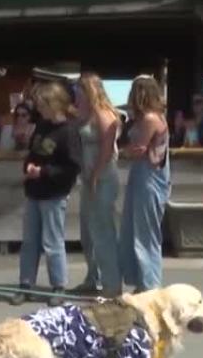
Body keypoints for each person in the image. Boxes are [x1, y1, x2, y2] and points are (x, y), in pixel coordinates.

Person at [11, 81, 82, 306]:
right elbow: (33, 152)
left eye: (42, 104)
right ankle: (25, 284)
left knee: (53, 241)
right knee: (29, 241)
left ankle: (58, 285)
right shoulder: (42, 125)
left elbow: (72, 166)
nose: (38, 109)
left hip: (54, 193)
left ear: (54, 104)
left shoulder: (68, 131)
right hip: (34, 191)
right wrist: (29, 167)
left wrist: (44, 171)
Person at [118, 75, 171, 293]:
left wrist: (118, 152)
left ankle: (150, 285)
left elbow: (138, 149)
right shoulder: (151, 116)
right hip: (142, 176)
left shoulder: (150, 119)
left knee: (145, 235)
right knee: (134, 230)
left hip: (149, 178)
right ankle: (142, 282)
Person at [73, 72, 122, 297]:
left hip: (102, 177)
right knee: (88, 231)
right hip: (88, 177)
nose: (77, 94)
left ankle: (112, 285)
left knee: (103, 232)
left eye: (80, 90)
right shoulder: (86, 113)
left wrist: (95, 174)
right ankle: (93, 277)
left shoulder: (104, 114)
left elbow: (107, 147)